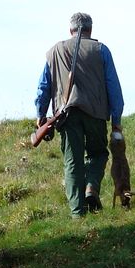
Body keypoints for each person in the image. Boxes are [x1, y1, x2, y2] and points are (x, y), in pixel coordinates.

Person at [35, 12, 124, 216]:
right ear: (91, 30)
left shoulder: (54, 52)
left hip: (66, 115)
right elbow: (114, 88)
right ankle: (91, 187)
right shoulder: (102, 50)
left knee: (72, 162)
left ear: (70, 30)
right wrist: (116, 120)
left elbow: (43, 87)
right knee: (98, 154)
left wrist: (41, 115)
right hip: (96, 113)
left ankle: (77, 213)